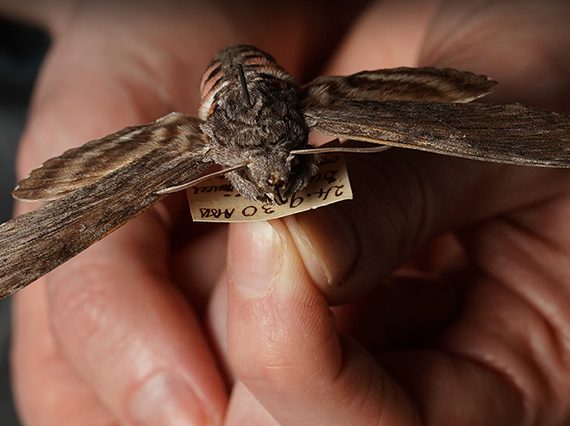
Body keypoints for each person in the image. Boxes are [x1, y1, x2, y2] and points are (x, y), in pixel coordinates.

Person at [3, 0, 570, 424]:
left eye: (286, 165)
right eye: (259, 175)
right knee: (64, 237)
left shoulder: (310, 120)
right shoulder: (200, 147)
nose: (274, 182)